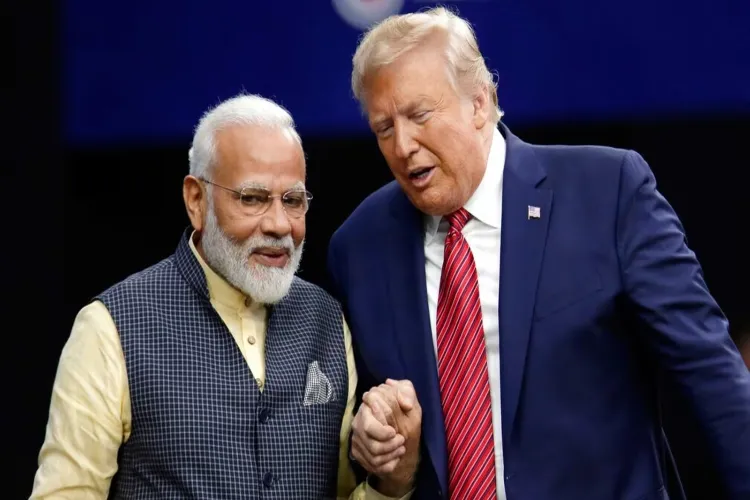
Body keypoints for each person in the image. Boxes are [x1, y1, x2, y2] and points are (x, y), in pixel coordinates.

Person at [326, 7, 750, 500]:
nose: (402, 145)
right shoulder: (360, 247)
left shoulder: (607, 193)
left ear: (479, 102)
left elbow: (708, 373)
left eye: (420, 115)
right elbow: (377, 441)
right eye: (383, 128)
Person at [31, 94, 407, 499]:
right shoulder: (112, 327)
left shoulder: (327, 320)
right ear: (197, 200)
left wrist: (393, 480)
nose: (279, 224)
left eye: (293, 201)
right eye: (253, 198)